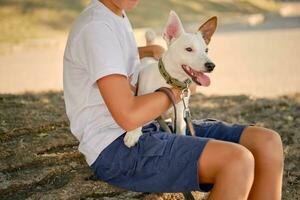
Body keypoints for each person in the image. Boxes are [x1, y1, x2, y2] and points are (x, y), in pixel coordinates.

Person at [63, 0, 284, 199]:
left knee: (267, 143)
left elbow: (113, 54)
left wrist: (152, 50)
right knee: (237, 161)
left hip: (151, 124)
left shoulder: (115, 14)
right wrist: (177, 89)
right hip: (116, 146)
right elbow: (128, 117)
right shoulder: (96, 28)